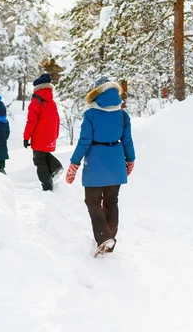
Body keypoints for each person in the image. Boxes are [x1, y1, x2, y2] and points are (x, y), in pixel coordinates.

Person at [65, 76, 135, 256]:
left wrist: (74, 163)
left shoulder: (91, 114)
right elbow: (127, 140)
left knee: (92, 201)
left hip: (95, 162)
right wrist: (130, 160)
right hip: (117, 160)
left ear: (96, 93)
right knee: (111, 201)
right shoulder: (122, 115)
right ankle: (109, 237)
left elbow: (84, 141)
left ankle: (104, 236)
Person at [23, 73, 63, 191]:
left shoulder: (36, 101)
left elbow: (31, 121)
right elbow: (57, 120)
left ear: (37, 88)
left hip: (39, 136)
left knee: (39, 160)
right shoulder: (52, 102)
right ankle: (55, 167)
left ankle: (47, 186)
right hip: (50, 135)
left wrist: (26, 137)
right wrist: (55, 135)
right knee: (43, 156)